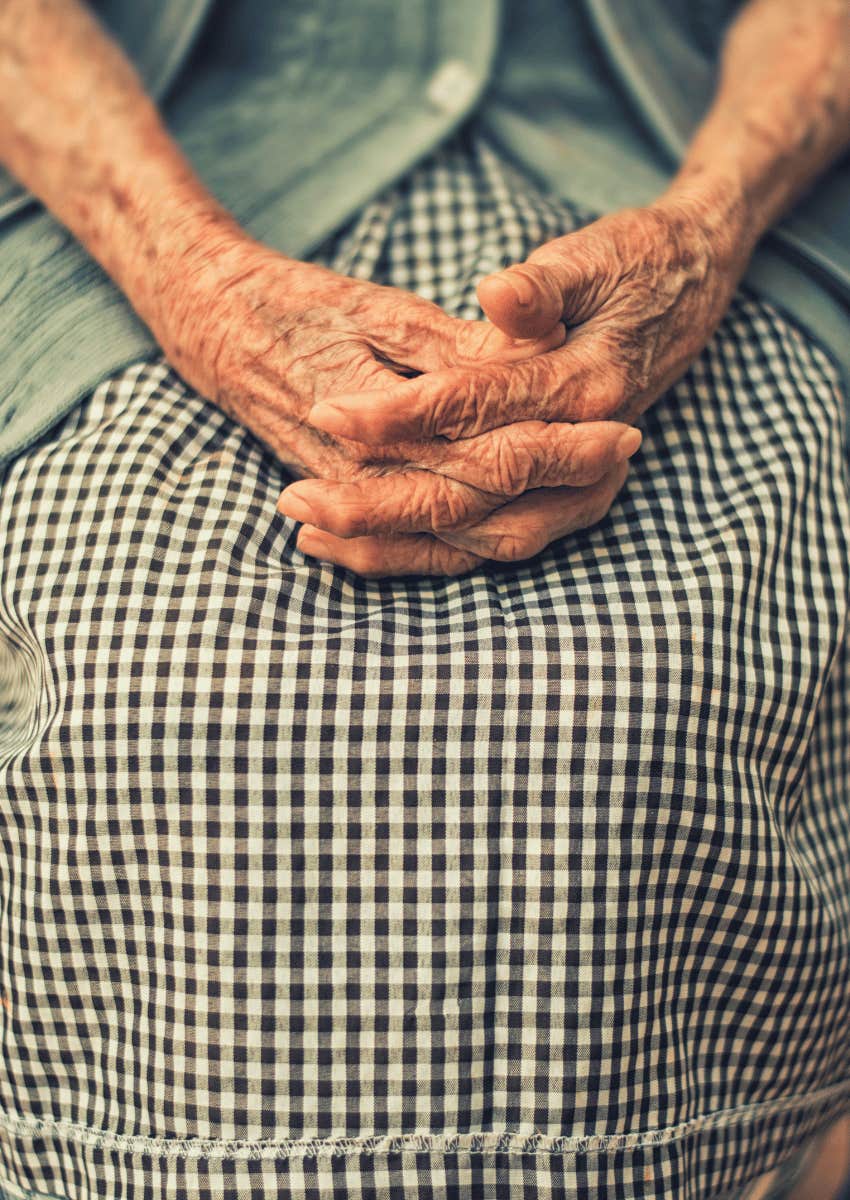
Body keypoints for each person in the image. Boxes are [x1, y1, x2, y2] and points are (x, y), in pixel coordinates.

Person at [0, 0, 848, 1197]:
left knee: (665, 693)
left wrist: (709, 229)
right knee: (155, 693)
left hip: (707, 171)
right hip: (134, 188)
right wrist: (194, 275)